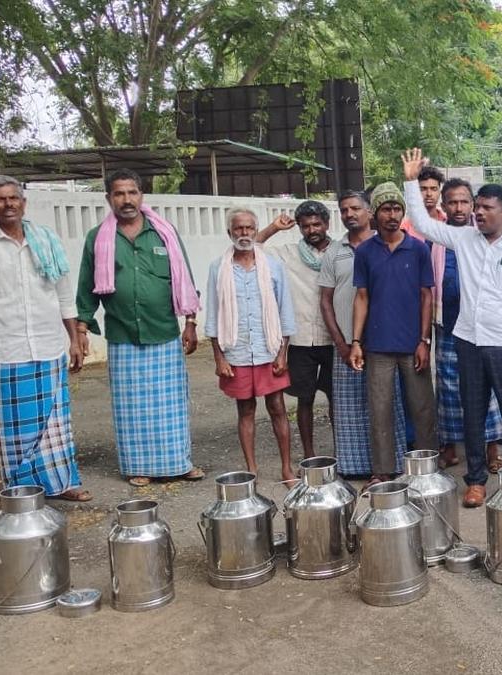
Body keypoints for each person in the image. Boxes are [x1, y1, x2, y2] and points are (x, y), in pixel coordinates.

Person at [401, 148, 502, 508]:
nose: (478, 213)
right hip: (468, 340)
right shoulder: (463, 238)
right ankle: (476, 481)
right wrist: (410, 181)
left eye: (486, 208)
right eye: (477, 207)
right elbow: (422, 224)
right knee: (474, 413)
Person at [76, 168, 204, 487]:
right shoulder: (98, 238)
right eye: (119, 193)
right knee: (131, 406)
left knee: (170, 405)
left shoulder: (164, 233)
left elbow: (185, 278)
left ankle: (178, 463)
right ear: (109, 198)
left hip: (163, 331)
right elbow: (86, 286)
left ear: (141, 195)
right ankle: (138, 466)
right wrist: (81, 329)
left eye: (132, 192)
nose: (126, 199)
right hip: (123, 334)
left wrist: (190, 322)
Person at [0, 175, 90, 501]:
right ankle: (21, 491)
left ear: (24, 202)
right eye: (0, 199)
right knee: (15, 427)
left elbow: (64, 294)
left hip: (48, 345)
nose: (8, 204)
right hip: (6, 350)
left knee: (55, 424)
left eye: (13, 198)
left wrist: (74, 339)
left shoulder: (47, 241)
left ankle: (63, 483)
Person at [349, 183, 439, 487]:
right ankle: (382, 471)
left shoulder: (418, 248)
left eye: (397, 208)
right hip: (377, 344)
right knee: (380, 409)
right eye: (386, 209)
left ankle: (427, 466)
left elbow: (427, 296)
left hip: (413, 343)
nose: (392, 215)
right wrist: (356, 342)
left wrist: (424, 340)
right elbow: (362, 297)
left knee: (422, 406)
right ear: (375, 213)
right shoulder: (364, 251)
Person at [318, 190, 408, 477]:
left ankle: (388, 467)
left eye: (355, 208)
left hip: (384, 343)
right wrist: (341, 343)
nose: (350, 214)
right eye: (344, 210)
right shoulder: (335, 252)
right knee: (349, 410)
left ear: (370, 212)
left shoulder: (387, 245)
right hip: (346, 343)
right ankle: (354, 468)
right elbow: (325, 301)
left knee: (385, 406)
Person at [205, 208, 297, 482]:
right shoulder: (218, 268)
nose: (244, 233)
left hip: (268, 348)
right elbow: (213, 314)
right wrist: (219, 358)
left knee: (277, 407)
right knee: (245, 410)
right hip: (237, 351)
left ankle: (286, 468)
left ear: (256, 231)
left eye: (249, 228)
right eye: (238, 228)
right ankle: (251, 470)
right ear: (229, 232)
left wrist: (283, 354)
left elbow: (285, 311)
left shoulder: (272, 266)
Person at [432, 177, 502, 471]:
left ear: (473, 204)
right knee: (449, 388)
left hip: (483, 328)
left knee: (487, 388)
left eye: (465, 201)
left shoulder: (485, 236)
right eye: (452, 202)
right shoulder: (437, 240)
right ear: (444, 205)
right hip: (448, 324)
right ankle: (450, 447)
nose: (459, 208)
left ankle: (492, 449)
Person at [256, 201, 334, 459]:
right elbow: (252, 247)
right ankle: (310, 455)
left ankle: (343, 452)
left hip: (334, 338)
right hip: (300, 339)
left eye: (317, 224)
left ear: (326, 224)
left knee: (337, 399)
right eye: (306, 226)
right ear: (299, 228)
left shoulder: (340, 252)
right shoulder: (287, 254)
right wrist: (274, 228)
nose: (312, 230)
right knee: (305, 398)